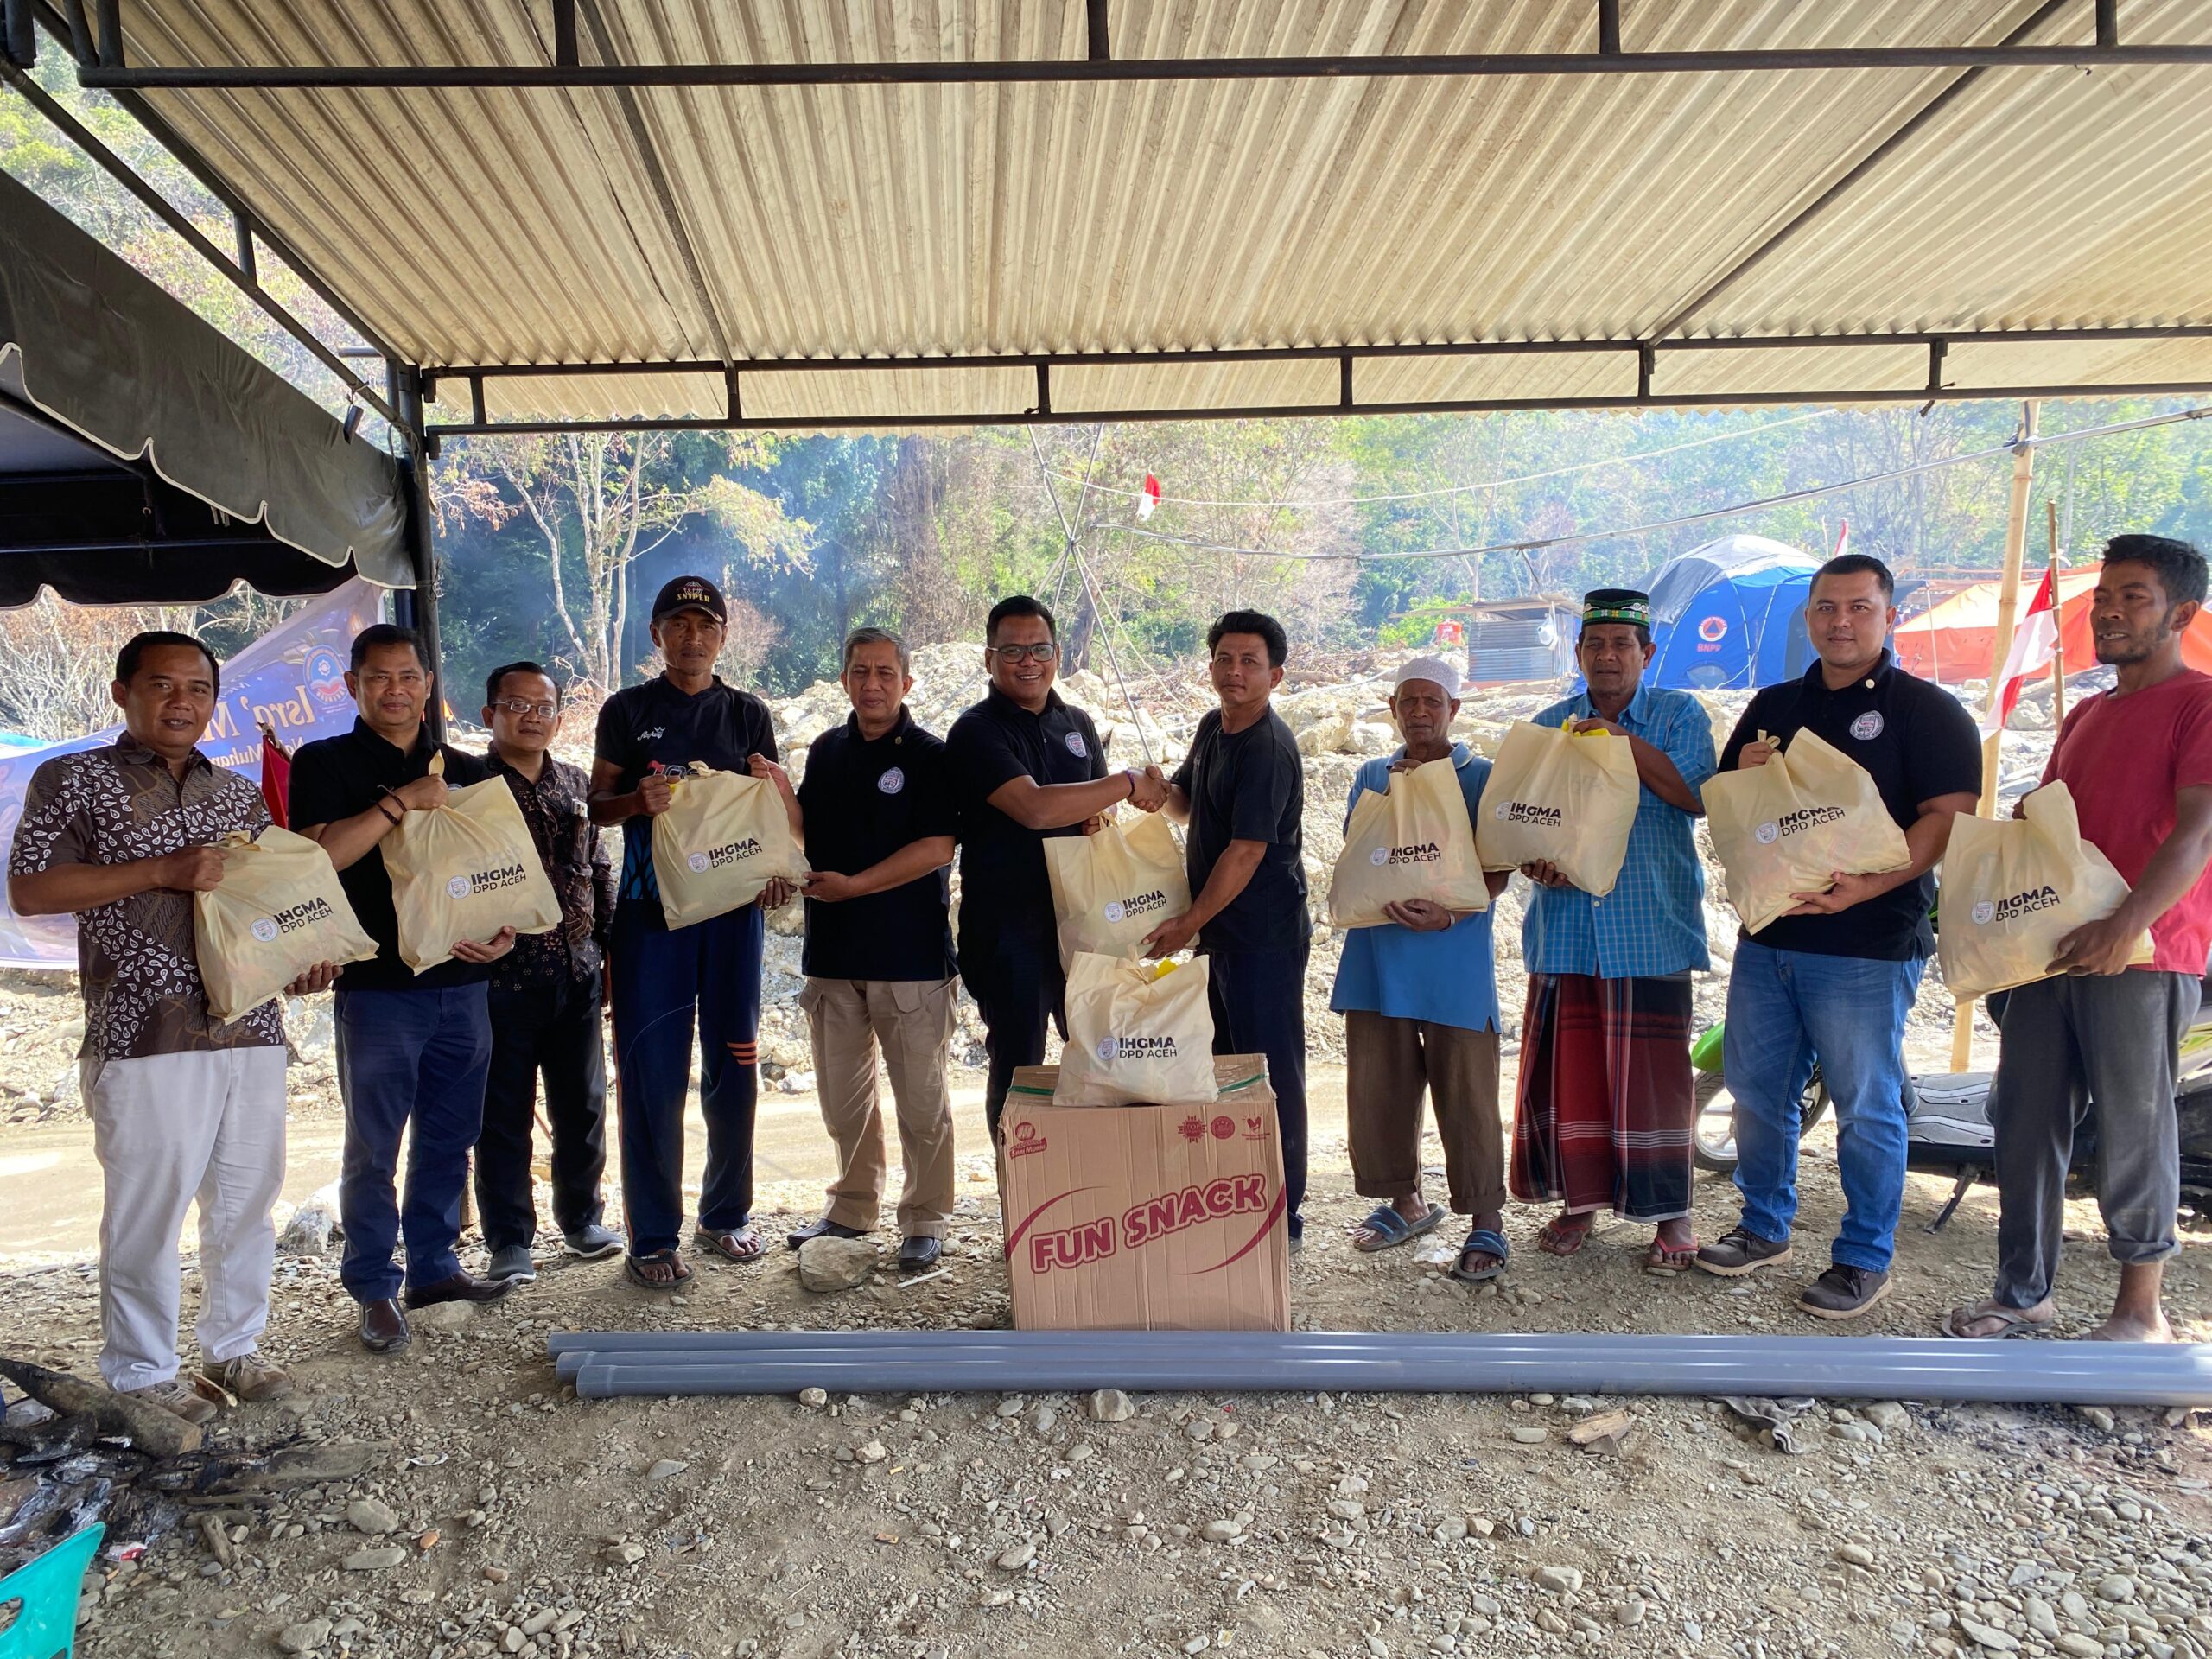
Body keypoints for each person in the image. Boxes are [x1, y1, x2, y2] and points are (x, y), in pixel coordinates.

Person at [8, 632, 338, 1422]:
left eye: (198, 688)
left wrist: (300, 959)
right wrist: (161, 870)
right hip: (144, 1030)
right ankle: (142, 1376)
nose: (182, 701)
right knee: (149, 1210)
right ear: (123, 693)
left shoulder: (237, 795)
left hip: (249, 1025)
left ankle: (233, 1349)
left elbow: (262, 901)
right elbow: (31, 890)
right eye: (162, 685)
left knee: (246, 1198)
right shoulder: (75, 779)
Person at [1697, 554, 1980, 1318]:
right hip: (1771, 937)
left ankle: (1863, 1258)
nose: (1841, 622)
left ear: (1889, 615)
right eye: (1826, 607)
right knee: (1758, 1093)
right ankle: (1764, 1226)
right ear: (1809, 617)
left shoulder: (1926, 710)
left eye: (1859, 607)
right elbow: (1732, 806)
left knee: (1866, 1105)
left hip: (1867, 945)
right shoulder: (1774, 704)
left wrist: (1870, 885)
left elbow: (1950, 816)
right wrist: (1744, 769)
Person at [1947, 536, 2212, 1344]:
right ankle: (2023, 1292)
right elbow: (2052, 827)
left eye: (2134, 597)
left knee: (2137, 1124)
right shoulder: (2087, 713)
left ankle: (2141, 1310)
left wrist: (2125, 924)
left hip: (2144, 953)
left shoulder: (2200, 704)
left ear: (2182, 613)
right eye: (2103, 597)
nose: (2109, 612)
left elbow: (2199, 831)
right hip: (2049, 950)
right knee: (2025, 1120)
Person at [289, 623, 518, 1353]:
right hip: (377, 988)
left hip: (465, 982)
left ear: (428, 685)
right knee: (374, 1147)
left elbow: (500, 871)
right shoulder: (323, 761)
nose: (395, 690)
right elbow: (318, 859)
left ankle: (434, 1268)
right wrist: (401, 804)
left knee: (450, 1138)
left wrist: (505, 934)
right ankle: (372, 1285)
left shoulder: (470, 770)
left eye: (408, 676)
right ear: (352, 686)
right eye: (379, 677)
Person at [590, 575, 798, 1289]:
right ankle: (652, 1236)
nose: (692, 636)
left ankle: (725, 1213)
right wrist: (633, 800)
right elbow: (596, 805)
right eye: (678, 624)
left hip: (733, 915)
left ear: (723, 636)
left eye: (706, 625)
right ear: (657, 634)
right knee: (653, 1072)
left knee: (734, 1063)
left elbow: (767, 810)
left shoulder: (747, 714)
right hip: (651, 917)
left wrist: (775, 872)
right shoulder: (628, 710)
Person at [1510, 590, 1716, 1273]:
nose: (1607, 656)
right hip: (1567, 929)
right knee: (1577, 1081)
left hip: (1649, 927)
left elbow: (1694, 795)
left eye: (1622, 645)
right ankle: (1581, 1201)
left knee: (1657, 1085)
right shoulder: (1549, 728)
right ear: (1578, 654)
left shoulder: (1680, 715)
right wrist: (1536, 860)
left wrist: (1621, 742)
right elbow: (1523, 824)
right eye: (1595, 644)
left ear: (1646, 654)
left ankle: (1673, 1212)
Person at [945, 594, 1167, 1133]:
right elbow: (1036, 809)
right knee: (1019, 1068)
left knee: (1104, 1056)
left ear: (1058, 654)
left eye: (1040, 649)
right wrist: (1128, 782)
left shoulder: (1077, 723)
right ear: (989, 658)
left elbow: (1095, 812)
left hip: (1086, 925)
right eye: (1013, 650)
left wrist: (1101, 815)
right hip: (1009, 932)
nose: (1028, 661)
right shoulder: (976, 731)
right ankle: (1018, 1178)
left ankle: (1091, 1177)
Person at [1330, 657, 1512, 1279]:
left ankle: (1486, 1219)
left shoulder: (1481, 778)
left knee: (1468, 1090)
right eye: (1408, 701)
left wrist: (1449, 915)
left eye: (1432, 701)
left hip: (1453, 958)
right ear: (1393, 709)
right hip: (1377, 954)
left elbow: (1497, 869)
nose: (1419, 712)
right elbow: (1362, 856)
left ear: (1453, 709)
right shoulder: (1371, 776)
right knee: (1378, 1085)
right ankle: (1404, 1202)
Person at [785, 627, 960, 1271]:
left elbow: (937, 848)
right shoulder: (826, 750)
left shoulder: (931, 756)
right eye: (860, 671)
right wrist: (777, 793)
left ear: (906, 682)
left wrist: (855, 886)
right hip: (832, 955)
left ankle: (925, 1217)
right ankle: (853, 1207)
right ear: (844, 681)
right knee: (843, 1101)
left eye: (886, 672)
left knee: (921, 1101)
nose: (873, 684)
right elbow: (804, 833)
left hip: (909, 957)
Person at [1148, 611, 1312, 1243]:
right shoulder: (1213, 726)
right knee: (1223, 1067)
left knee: (1270, 1070)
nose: (1235, 671)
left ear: (1275, 675)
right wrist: (1153, 790)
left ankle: (1283, 1210)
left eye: (1249, 661)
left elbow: (1246, 852)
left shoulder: (1267, 747)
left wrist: (1188, 922)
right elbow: (1187, 804)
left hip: (1263, 935)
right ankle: (1235, 1192)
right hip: (1219, 934)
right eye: (1224, 658)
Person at [474, 662, 622, 1284]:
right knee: (502, 1115)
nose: (531, 717)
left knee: (582, 1107)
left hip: (576, 971)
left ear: (559, 719)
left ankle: (582, 1219)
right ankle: (510, 1239)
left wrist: (609, 949)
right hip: (500, 981)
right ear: (490, 714)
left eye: (543, 708)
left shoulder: (574, 782)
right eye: (517, 705)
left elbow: (598, 865)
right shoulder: (466, 786)